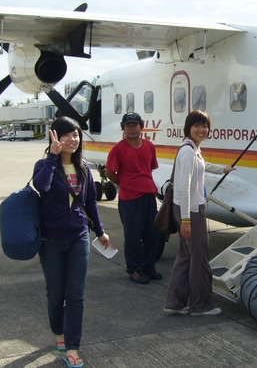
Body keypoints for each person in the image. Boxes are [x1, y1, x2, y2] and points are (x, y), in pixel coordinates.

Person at [33, 116, 110, 368]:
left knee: (76, 296)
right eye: (67, 135)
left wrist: (100, 231)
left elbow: (90, 204)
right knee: (56, 295)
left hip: (78, 237)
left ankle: (73, 347)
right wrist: (53, 157)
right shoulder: (45, 165)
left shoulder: (84, 168)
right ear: (54, 136)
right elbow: (41, 186)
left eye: (76, 135)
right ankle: (60, 334)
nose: (72, 140)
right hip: (51, 240)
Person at [164, 110, 235, 316]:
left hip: (188, 210)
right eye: (197, 125)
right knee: (200, 259)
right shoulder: (188, 151)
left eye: (204, 126)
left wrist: (223, 169)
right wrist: (186, 220)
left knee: (186, 257)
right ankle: (200, 305)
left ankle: (175, 302)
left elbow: (201, 166)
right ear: (188, 127)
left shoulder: (192, 149)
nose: (201, 129)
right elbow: (184, 188)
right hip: (191, 211)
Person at [105, 112, 161, 284]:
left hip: (148, 196)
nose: (132, 128)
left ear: (141, 126)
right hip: (129, 199)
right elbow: (109, 173)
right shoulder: (118, 149)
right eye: (128, 125)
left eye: (135, 125)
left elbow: (150, 168)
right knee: (133, 236)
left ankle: (149, 267)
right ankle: (135, 269)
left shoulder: (149, 146)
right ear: (123, 128)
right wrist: (125, 184)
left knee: (152, 235)